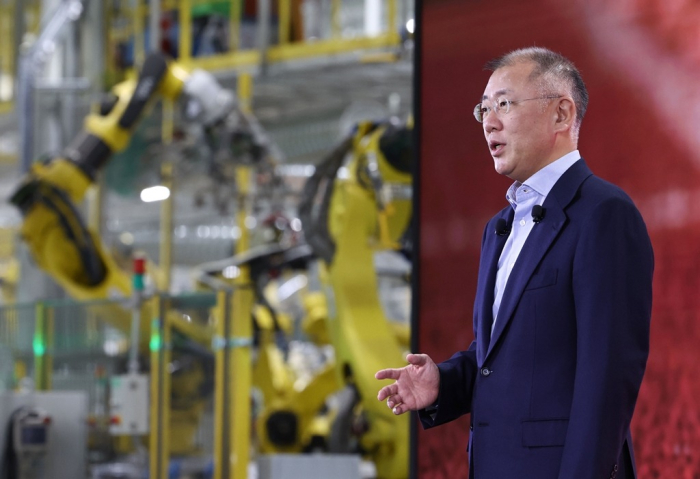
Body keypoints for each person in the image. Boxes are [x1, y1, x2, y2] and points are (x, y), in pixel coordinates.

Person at [375, 47, 654, 479]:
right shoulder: (499, 227)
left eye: (504, 104)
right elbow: (506, 356)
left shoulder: (604, 214)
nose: (489, 121)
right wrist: (444, 383)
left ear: (562, 114)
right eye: (483, 109)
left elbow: (608, 377)